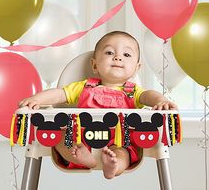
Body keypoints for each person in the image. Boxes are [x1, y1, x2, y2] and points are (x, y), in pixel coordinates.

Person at [19, 31, 177, 179]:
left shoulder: (133, 91)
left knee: (123, 154)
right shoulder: (83, 87)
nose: (117, 57)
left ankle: (113, 167)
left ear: (136, 68)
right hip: (81, 140)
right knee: (60, 141)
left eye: (126, 54)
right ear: (94, 65)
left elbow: (148, 95)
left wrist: (160, 101)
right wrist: (37, 99)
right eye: (109, 52)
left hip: (119, 141)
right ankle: (85, 159)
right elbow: (60, 94)